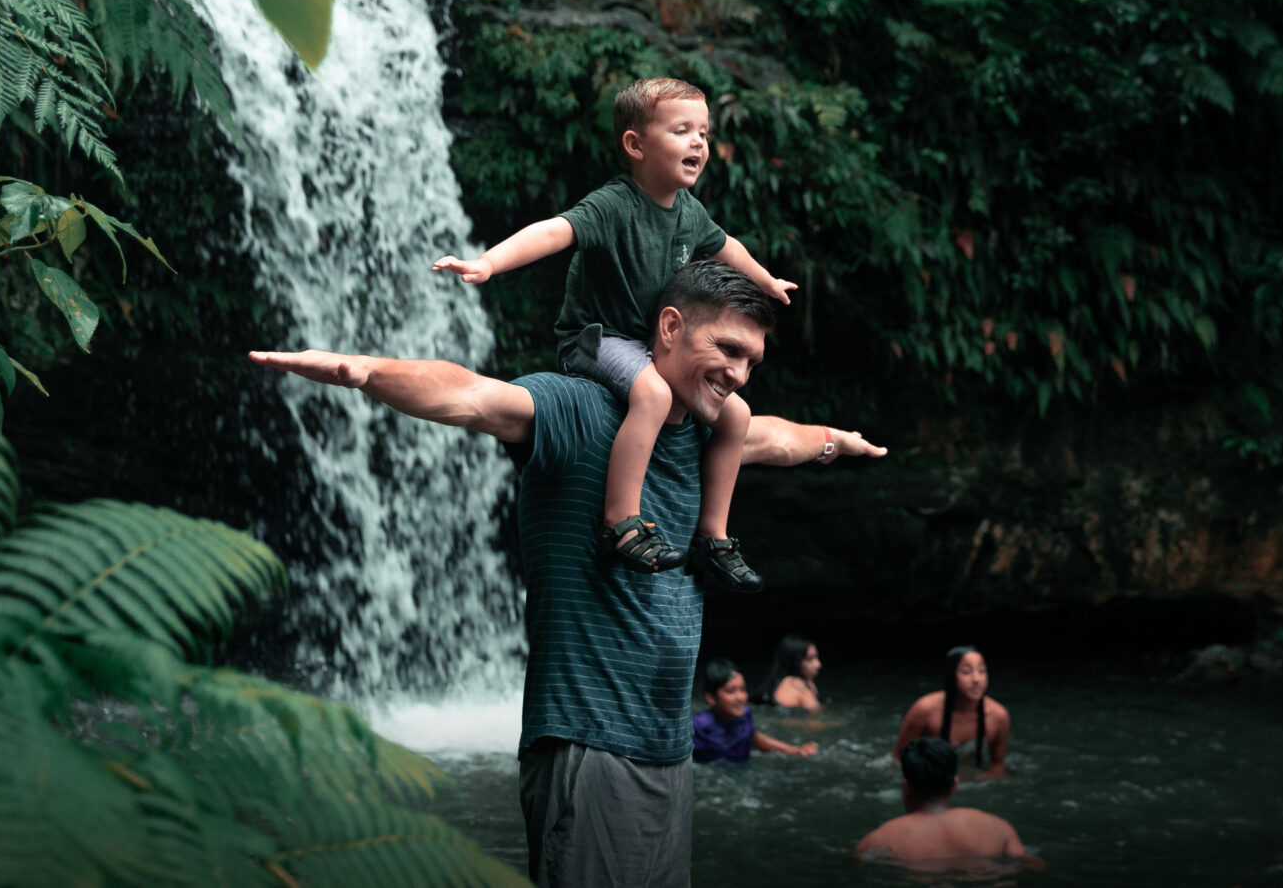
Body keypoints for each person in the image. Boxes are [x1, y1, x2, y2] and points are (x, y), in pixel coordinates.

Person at [250, 260, 885, 888]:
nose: (739, 373)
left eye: (752, 361)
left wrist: (838, 440)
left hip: (668, 749)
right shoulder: (579, 409)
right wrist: (361, 371)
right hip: (590, 744)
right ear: (670, 327)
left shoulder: (707, 436)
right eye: (727, 349)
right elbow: (470, 394)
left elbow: (779, 439)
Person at [432, 77, 794, 591]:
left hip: (647, 343)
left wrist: (766, 280)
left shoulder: (689, 212)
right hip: (595, 339)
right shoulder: (614, 204)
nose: (699, 143)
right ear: (635, 144)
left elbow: (727, 246)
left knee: (736, 414)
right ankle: (621, 522)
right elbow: (554, 231)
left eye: (705, 134)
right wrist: (488, 264)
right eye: (682, 130)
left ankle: (712, 536)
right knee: (652, 392)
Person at [854, 736, 1030, 864]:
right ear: (954, 785)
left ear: (906, 786)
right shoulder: (1000, 829)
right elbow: (1030, 864)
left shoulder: (877, 842)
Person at [894, 645, 1011, 777]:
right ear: (951, 675)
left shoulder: (998, 716)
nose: (977, 679)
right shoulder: (925, 709)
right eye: (967, 672)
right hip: (929, 780)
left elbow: (997, 765)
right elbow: (899, 758)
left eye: (982, 671)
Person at [693, 657, 818, 762]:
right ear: (711, 698)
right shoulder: (698, 726)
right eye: (730, 691)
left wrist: (795, 750)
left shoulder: (744, 715)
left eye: (743, 690)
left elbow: (752, 738)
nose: (740, 697)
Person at [752, 634, 824, 710]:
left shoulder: (777, 684)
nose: (818, 664)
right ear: (794, 661)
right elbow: (816, 716)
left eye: (816, 657)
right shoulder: (798, 685)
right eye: (810, 659)